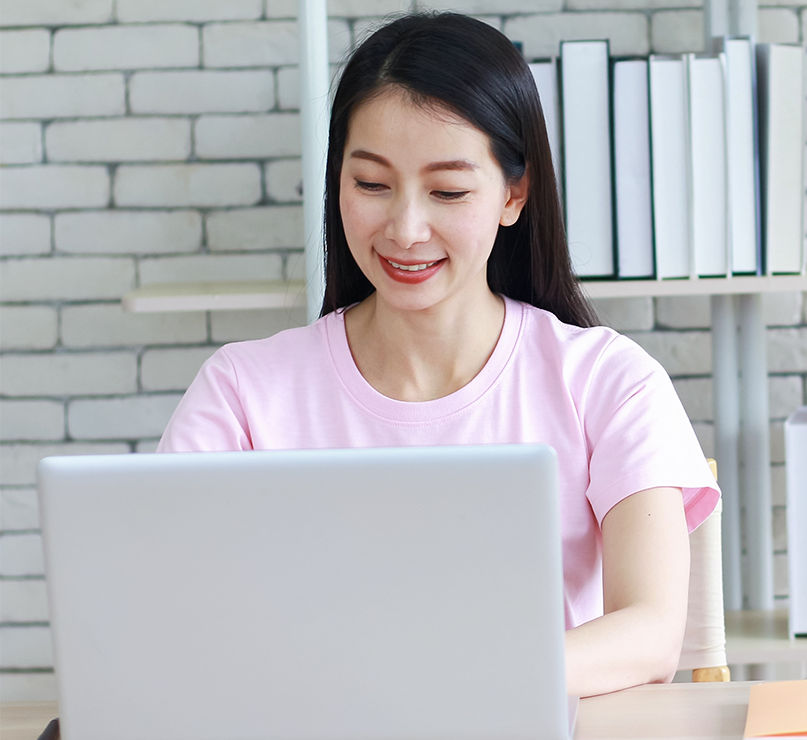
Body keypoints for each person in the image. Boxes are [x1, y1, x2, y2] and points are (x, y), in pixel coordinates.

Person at [158, 11, 720, 698]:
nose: (405, 228)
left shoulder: (607, 382)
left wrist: (438, 683)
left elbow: (649, 635)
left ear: (514, 193)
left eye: (447, 191)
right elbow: (173, 622)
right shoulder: (241, 392)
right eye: (370, 184)